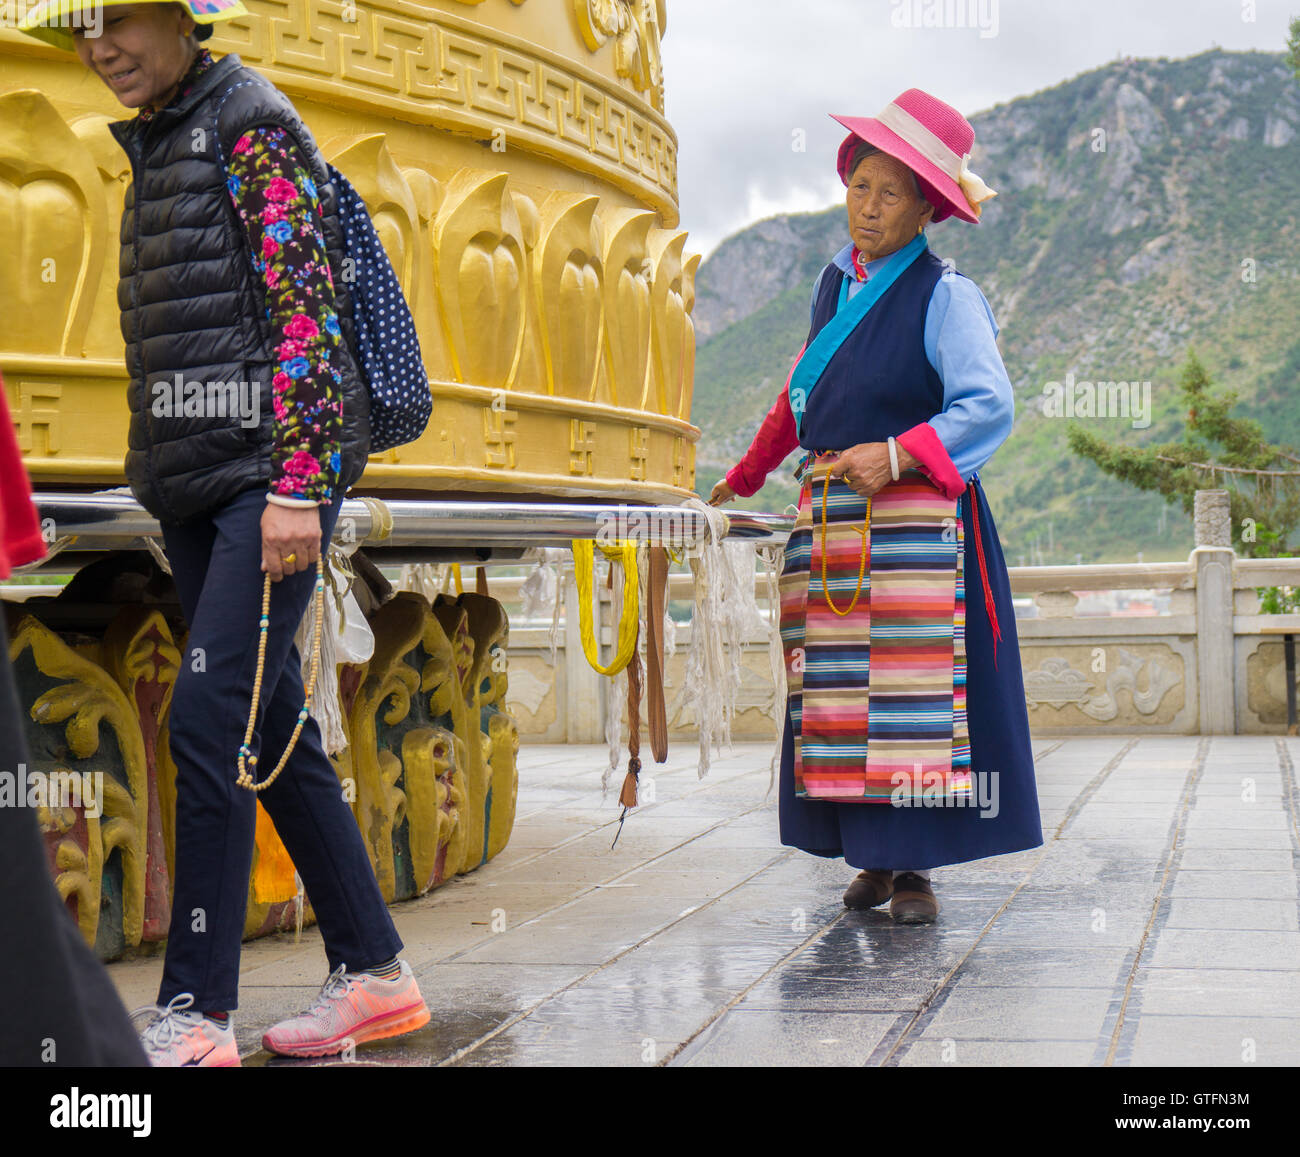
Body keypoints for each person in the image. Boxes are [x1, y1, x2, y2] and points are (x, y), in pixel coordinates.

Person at [18, 1, 429, 1064]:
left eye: (116, 20)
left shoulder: (248, 120)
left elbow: (304, 314)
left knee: (207, 721)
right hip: (205, 482)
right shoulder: (166, 133)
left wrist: (297, 480)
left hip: (267, 478)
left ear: (181, 15)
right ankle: (376, 972)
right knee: (268, 719)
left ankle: (196, 1009)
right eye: (79, 29)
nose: (98, 46)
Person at [710, 89, 1042, 923]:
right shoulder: (834, 283)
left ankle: (915, 870)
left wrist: (896, 454)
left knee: (912, 697)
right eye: (860, 185)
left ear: (927, 206)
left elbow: (987, 405)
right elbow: (801, 394)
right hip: (834, 527)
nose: (869, 207)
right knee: (842, 694)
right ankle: (867, 855)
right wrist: (747, 475)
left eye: (890, 193)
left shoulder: (946, 294)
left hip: (917, 531)